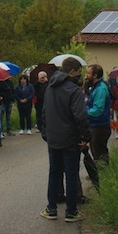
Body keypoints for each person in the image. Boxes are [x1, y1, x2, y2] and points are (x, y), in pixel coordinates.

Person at [41, 56, 91, 223]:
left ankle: (51, 208)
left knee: (54, 172)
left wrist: (45, 133)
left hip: (53, 137)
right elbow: (80, 116)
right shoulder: (74, 90)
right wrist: (86, 136)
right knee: (70, 174)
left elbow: (44, 112)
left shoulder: (49, 87)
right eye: (79, 72)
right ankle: (71, 211)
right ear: (72, 71)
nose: (80, 75)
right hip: (70, 138)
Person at [85, 64, 111, 163]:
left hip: (100, 125)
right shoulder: (94, 87)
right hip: (94, 124)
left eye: (88, 73)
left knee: (100, 152)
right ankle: (99, 172)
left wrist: (83, 113)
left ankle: (103, 173)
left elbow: (98, 110)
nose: (86, 75)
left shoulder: (100, 89)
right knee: (96, 151)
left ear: (95, 75)